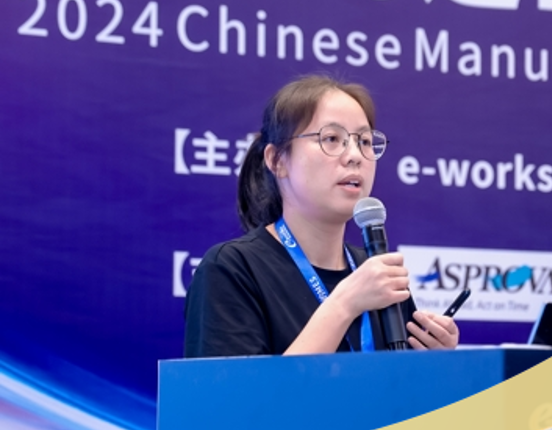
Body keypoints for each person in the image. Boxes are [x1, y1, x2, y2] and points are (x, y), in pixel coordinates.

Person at [184, 75, 459, 357]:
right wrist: (343, 305)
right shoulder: (232, 269)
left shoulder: (378, 274)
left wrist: (435, 363)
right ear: (277, 160)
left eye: (364, 141)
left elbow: (401, 385)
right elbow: (238, 387)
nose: (355, 155)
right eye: (331, 139)